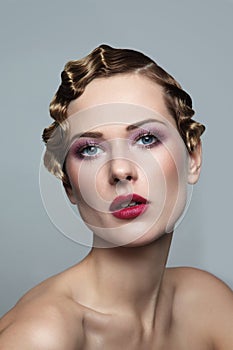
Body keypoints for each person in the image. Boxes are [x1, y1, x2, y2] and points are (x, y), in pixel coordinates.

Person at [0, 44, 232, 349]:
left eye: (146, 139)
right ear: (68, 184)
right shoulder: (42, 335)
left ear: (192, 157)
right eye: (89, 149)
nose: (121, 169)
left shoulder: (207, 301)